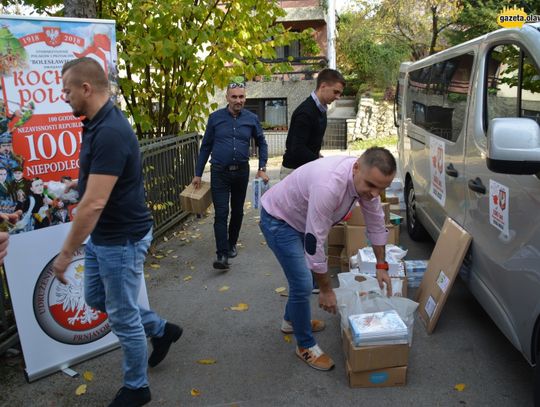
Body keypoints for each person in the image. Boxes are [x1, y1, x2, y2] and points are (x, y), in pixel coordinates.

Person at [52, 57, 182, 407]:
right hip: (106, 238)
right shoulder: (96, 123)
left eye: (67, 90)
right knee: (99, 300)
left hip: (120, 240)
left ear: (86, 88)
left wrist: (64, 256)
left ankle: (137, 388)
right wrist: (72, 186)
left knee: (123, 316)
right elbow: (99, 185)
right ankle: (160, 328)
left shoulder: (109, 130)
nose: (64, 96)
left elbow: (94, 205)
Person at [259, 147, 396, 371]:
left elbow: (376, 223)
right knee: (304, 283)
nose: (374, 194)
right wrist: (326, 290)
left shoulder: (367, 183)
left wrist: (382, 265)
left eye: (382, 188)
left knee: (303, 281)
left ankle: (291, 321)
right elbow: (315, 242)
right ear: (356, 168)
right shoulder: (329, 186)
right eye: (371, 185)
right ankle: (305, 346)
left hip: (302, 219)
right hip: (279, 220)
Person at [192, 82, 269, 270]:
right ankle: (222, 254)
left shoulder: (251, 119)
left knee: (237, 211)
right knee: (221, 213)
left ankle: (232, 243)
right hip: (219, 172)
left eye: (241, 97)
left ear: (245, 98)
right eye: (234, 97)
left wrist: (262, 167)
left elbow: (262, 143)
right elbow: (206, 147)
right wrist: (198, 174)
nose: (238, 100)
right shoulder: (215, 118)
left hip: (241, 172)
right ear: (227, 97)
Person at [280, 68, 345, 180]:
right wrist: (320, 161)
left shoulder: (320, 109)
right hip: (294, 172)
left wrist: (319, 158)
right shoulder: (306, 112)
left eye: (340, 93)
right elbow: (297, 148)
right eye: (336, 92)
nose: (338, 97)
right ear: (323, 86)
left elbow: (310, 145)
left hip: (305, 169)